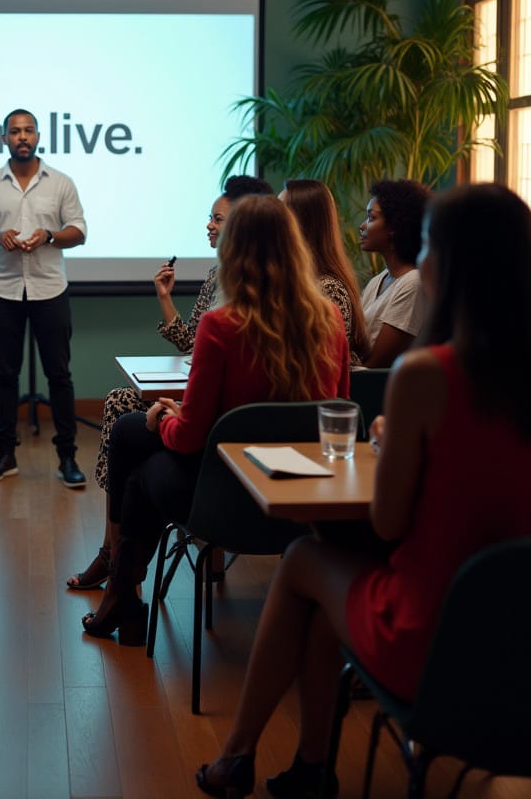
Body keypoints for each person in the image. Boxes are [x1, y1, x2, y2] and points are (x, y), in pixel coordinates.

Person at [195, 182, 531, 799]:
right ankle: (307, 768)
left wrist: (391, 440)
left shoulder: (428, 377)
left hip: (437, 643)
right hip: (526, 649)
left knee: (306, 559)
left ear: (447, 261)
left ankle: (238, 757)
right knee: (330, 596)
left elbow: (386, 521)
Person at [82, 195, 350, 645]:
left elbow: (188, 441)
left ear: (233, 250)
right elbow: (337, 411)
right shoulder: (330, 319)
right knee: (135, 438)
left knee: (135, 441)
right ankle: (120, 591)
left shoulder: (223, 324)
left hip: (224, 501)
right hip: (304, 502)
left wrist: (164, 419)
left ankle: (123, 589)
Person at [66, 174, 273, 591]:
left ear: (244, 226)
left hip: (215, 419)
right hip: (215, 408)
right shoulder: (218, 276)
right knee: (120, 401)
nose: (210, 226)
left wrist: (167, 417)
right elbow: (195, 343)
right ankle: (113, 549)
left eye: (218, 219)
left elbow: (208, 352)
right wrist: (165, 299)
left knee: (127, 419)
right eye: (209, 218)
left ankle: (117, 557)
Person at [0, 108, 88, 486]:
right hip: (3, 289)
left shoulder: (61, 182)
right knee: (6, 375)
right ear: (3, 139)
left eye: (28, 130)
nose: (22, 137)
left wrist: (49, 235)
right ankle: (6, 455)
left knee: (60, 376)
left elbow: (79, 231)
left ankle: (67, 457)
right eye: (15, 132)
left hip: (50, 288)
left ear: (38, 136)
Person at [280, 178, 369, 366]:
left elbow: (321, 367)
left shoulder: (328, 289)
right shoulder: (287, 280)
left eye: (279, 213)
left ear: (300, 223)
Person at [358, 178, 431, 368]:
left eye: (371, 218)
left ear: (394, 227)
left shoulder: (413, 284)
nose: (363, 226)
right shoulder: (378, 280)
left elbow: (376, 364)